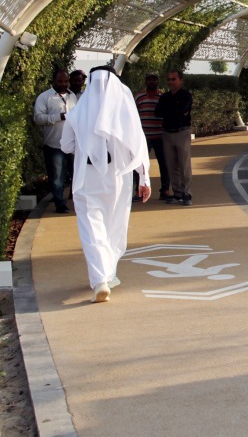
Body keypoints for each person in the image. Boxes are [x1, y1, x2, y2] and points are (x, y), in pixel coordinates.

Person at [60, 66, 151, 303]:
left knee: (92, 229)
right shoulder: (125, 110)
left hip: (86, 179)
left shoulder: (78, 112)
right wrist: (144, 179)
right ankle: (107, 275)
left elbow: (66, 146)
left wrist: (87, 145)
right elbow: (138, 146)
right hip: (118, 180)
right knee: (114, 227)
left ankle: (101, 279)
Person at [33, 70, 77, 214]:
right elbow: (38, 118)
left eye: (66, 81)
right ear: (54, 81)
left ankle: (78, 202)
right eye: (60, 81)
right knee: (56, 177)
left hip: (72, 145)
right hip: (54, 144)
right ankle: (60, 204)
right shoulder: (45, 97)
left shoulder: (72, 96)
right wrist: (59, 117)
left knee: (76, 174)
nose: (63, 84)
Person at [155, 70, 193, 206]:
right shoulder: (165, 97)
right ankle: (177, 192)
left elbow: (181, 109)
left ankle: (186, 193)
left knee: (184, 165)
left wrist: (172, 111)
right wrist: (175, 111)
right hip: (167, 133)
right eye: (169, 79)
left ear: (180, 80)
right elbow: (158, 112)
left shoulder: (186, 96)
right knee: (171, 165)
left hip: (182, 132)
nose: (171, 82)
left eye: (173, 79)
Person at [133, 73, 172, 202]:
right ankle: (139, 191)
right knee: (140, 164)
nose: (151, 82)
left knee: (164, 164)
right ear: (145, 82)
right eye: (149, 80)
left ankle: (165, 190)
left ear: (158, 82)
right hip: (143, 137)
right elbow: (133, 114)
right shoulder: (139, 97)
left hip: (160, 136)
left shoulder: (163, 97)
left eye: (154, 80)